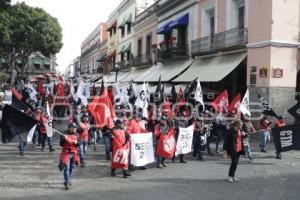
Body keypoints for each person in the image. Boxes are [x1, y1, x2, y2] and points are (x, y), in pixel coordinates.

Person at [58, 122, 80, 190]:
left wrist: (77, 142)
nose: (73, 129)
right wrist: (64, 139)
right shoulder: (64, 134)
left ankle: (68, 179)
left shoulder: (77, 135)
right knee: (66, 168)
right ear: (69, 128)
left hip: (73, 154)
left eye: (74, 128)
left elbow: (80, 143)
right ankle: (67, 182)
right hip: (66, 153)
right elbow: (61, 144)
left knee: (71, 168)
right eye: (72, 128)